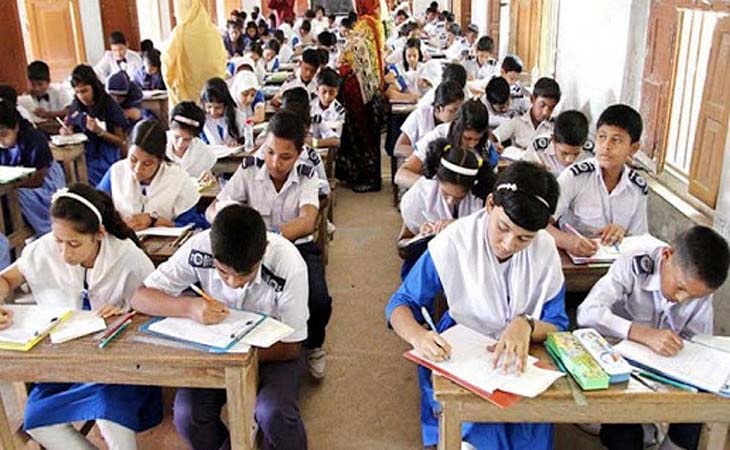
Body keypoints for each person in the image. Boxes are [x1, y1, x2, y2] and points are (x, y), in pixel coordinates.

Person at [387, 161, 567, 449]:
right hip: (463, 350)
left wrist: (527, 325)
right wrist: (418, 336)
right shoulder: (456, 241)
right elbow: (401, 303)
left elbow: (558, 325)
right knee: (477, 432)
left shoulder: (544, 249)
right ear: (490, 204)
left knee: (527, 430)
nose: (508, 244)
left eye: (524, 238)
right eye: (503, 228)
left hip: (522, 357)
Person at [131, 204, 308, 450]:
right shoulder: (198, 247)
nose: (233, 283)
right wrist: (189, 307)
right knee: (188, 414)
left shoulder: (288, 262)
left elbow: (292, 346)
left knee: (273, 412)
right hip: (216, 351)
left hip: (273, 352)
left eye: (245, 274)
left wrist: (234, 356)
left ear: (263, 254)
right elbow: (140, 297)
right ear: (213, 253)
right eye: (223, 272)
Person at [0, 183, 161, 450]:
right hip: (64, 365)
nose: (64, 253)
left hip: (116, 368)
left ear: (99, 234)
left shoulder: (129, 258)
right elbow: (7, 279)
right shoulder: (43, 250)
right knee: (37, 422)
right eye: (59, 241)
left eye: (74, 244)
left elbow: (156, 311)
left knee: (109, 413)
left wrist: (128, 313)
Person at [578, 225, 730, 450]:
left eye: (693, 297)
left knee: (695, 417)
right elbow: (587, 313)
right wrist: (640, 333)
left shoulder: (697, 287)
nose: (682, 299)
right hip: (619, 364)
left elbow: (698, 341)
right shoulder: (634, 265)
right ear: (667, 255)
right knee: (623, 431)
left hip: (667, 370)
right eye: (680, 288)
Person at [206, 113, 332, 379]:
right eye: (270, 152)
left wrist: (266, 236)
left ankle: (314, 345)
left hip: (296, 246)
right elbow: (216, 207)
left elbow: (307, 221)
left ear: (299, 154)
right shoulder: (249, 168)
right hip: (249, 249)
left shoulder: (307, 175)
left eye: (285, 157)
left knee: (318, 298)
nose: (275, 163)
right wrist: (228, 219)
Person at [549, 104, 647, 257]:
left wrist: (623, 233)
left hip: (616, 261)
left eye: (616, 140)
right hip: (575, 262)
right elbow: (539, 224)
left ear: (633, 148)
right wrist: (568, 241)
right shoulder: (575, 177)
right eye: (602, 137)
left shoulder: (637, 189)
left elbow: (640, 241)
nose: (606, 146)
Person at [398, 138, 489, 277]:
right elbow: (402, 247)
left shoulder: (481, 198)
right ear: (437, 180)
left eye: (459, 197)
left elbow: (490, 245)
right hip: (429, 262)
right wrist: (421, 236)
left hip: (467, 262)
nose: (450, 202)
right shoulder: (421, 195)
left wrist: (461, 227)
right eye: (445, 194)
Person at [97, 120, 205, 231]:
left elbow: (192, 225)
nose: (138, 169)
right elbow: (97, 207)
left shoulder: (178, 179)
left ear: (160, 160)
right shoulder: (116, 172)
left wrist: (154, 220)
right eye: (133, 159)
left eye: (147, 163)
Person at [336, 0, 387, 193]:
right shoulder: (373, 23)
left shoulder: (366, 24)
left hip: (359, 91)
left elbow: (355, 54)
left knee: (363, 135)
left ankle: (367, 178)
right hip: (362, 89)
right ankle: (359, 175)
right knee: (362, 134)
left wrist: (343, 62)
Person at [396, 99, 495, 189]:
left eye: (477, 139)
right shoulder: (437, 136)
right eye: (467, 138)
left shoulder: (484, 145)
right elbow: (401, 175)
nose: (472, 145)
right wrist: (437, 189)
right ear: (457, 127)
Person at [0, 99, 65, 235]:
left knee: (14, 196)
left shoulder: (34, 139)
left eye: (3, 135)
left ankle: (14, 231)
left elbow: (38, 181)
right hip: (14, 183)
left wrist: (12, 185)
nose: (0, 141)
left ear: (16, 127)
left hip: (41, 184)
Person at [62, 64, 128, 186]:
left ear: (94, 87)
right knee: (65, 170)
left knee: (88, 172)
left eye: (85, 91)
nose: (82, 96)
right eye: (77, 92)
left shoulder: (109, 105)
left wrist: (99, 131)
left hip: (105, 152)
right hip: (84, 150)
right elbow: (69, 123)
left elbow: (121, 141)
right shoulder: (77, 104)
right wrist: (66, 130)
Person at [162, 0, 228, 108]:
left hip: (186, 91)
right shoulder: (213, 31)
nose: (175, 13)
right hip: (212, 92)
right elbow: (222, 59)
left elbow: (167, 63)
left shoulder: (179, 33)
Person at [394, 80, 464, 158]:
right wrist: (422, 155)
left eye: (460, 111)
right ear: (438, 108)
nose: (457, 116)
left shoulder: (458, 123)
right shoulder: (420, 115)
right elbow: (399, 148)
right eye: (452, 111)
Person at [493, 76, 561, 150]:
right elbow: (494, 136)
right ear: (532, 99)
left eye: (551, 108)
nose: (545, 112)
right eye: (542, 105)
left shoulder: (554, 127)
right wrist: (496, 146)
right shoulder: (517, 122)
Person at [522, 110, 593, 177]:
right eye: (564, 153)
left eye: (576, 154)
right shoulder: (538, 149)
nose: (570, 160)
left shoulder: (591, 154)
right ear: (553, 140)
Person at [165, 101, 216, 178]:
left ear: (195, 137)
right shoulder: (157, 145)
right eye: (176, 137)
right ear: (170, 127)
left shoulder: (204, 154)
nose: (180, 143)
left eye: (187, 139)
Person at [200, 77, 244, 146]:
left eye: (218, 107)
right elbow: (203, 141)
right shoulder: (202, 118)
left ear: (226, 105)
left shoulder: (238, 116)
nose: (213, 112)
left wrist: (237, 141)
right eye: (209, 107)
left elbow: (243, 138)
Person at [310, 67, 345, 145]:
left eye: (332, 93)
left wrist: (316, 144)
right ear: (317, 89)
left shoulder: (339, 112)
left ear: (337, 92)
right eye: (324, 92)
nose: (327, 97)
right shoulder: (309, 106)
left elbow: (337, 140)